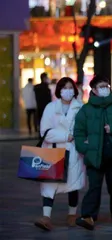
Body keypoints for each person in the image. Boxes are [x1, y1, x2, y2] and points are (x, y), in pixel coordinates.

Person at [74, 75, 112, 230]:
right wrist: (85, 149)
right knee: (93, 188)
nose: (105, 89)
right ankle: (88, 216)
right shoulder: (86, 110)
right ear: (94, 90)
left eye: (106, 86)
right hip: (95, 157)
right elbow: (79, 133)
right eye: (101, 87)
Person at [34, 77, 86, 231]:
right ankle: (46, 217)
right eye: (64, 88)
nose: (68, 91)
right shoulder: (50, 107)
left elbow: (83, 130)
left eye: (70, 88)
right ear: (59, 90)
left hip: (73, 151)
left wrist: (75, 137)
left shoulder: (80, 107)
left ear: (74, 90)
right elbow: (45, 132)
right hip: (53, 151)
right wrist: (65, 136)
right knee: (49, 184)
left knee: (73, 183)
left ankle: (72, 215)